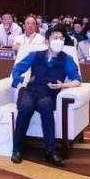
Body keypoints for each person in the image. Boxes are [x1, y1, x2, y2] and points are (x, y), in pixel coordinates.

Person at [9, 28, 82, 166]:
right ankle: (17, 149)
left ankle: (50, 151)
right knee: (25, 108)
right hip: (30, 90)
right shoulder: (35, 55)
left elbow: (77, 80)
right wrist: (21, 80)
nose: (59, 41)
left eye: (61, 38)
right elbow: (17, 69)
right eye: (55, 38)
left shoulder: (67, 59)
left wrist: (63, 85)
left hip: (49, 93)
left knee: (46, 108)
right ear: (47, 42)